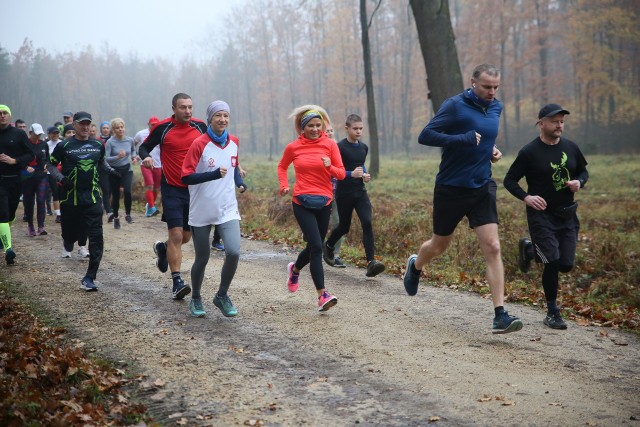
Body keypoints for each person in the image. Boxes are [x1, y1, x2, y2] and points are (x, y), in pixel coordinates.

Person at [402, 64, 523, 334]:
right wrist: (463, 139)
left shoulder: (496, 107)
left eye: (495, 87)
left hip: (482, 185)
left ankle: (500, 315)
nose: (492, 92)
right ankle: (416, 265)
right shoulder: (454, 105)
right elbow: (426, 136)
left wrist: (490, 150)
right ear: (473, 83)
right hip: (451, 186)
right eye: (486, 87)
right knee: (439, 245)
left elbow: (484, 137)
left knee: (492, 246)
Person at [504, 104, 588, 330]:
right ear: (541, 123)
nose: (559, 125)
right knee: (551, 261)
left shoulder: (571, 147)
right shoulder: (529, 152)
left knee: (566, 264)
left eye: (562, 121)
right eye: (554, 121)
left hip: (567, 215)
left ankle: (530, 249)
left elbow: (583, 171)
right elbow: (509, 180)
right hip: (541, 216)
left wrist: (580, 182)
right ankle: (552, 312)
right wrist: (527, 197)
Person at [138, 93, 207, 300]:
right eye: (183, 107)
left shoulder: (201, 126)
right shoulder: (163, 128)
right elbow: (143, 147)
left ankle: (163, 249)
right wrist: (147, 156)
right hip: (172, 188)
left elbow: (218, 145)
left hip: (194, 189)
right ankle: (177, 281)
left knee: (185, 237)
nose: (187, 111)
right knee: (177, 234)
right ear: (174, 109)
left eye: (190, 107)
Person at [278, 105, 345, 312]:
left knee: (313, 247)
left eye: (319, 125)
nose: (316, 129)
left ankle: (295, 269)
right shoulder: (293, 147)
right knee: (317, 246)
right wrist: (284, 185)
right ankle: (322, 295)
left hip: (324, 202)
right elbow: (282, 166)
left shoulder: (331, 145)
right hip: (301, 202)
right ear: (303, 128)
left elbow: (341, 174)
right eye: (311, 126)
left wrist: (329, 167)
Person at [182, 100, 244, 317]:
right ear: (209, 118)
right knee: (203, 257)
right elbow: (186, 176)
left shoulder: (234, 141)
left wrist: (240, 182)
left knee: (234, 252)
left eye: (226, 115)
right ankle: (196, 297)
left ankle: (221, 295)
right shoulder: (199, 143)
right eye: (218, 115)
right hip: (201, 209)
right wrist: (213, 174)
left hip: (227, 208)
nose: (223, 119)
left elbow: (233, 166)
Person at [47, 111, 119, 291]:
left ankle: (89, 277)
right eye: (82, 124)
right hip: (70, 199)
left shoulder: (97, 144)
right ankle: (69, 241)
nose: (86, 127)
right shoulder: (64, 145)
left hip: (93, 198)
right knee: (70, 236)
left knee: (96, 238)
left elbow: (101, 163)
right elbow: (50, 165)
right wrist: (61, 179)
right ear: (75, 125)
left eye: (88, 124)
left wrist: (112, 172)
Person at [323, 114, 385, 277]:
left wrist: (365, 175)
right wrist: (352, 174)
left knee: (367, 222)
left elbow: (361, 165)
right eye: (355, 128)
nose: (358, 131)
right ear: (347, 129)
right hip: (344, 193)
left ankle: (371, 262)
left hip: (360, 192)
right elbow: (335, 171)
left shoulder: (364, 148)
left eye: (361, 128)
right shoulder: (339, 147)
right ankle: (328, 245)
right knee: (344, 227)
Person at [0, 104, 34, 265]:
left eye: (5, 113)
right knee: (3, 214)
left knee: (11, 214)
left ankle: (2, 236)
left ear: (10, 116)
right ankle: (8, 249)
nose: (2, 116)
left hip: (14, 179)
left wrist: (15, 161)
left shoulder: (19, 134)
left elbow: (30, 154)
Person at [105, 117, 136, 229]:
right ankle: (116, 217)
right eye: (117, 128)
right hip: (114, 171)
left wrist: (133, 157)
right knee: (116, 195)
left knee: (127, 191)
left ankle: (128, 214)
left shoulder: (130, 140)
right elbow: (106, 158)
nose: (120, 129)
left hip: (127, 169)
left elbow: (133, 150)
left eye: (122, 127)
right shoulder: (110, 142)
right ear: (113, 130)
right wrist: (117, 156)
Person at [23, 124, 50, 236]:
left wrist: (47, 165)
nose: (38, 136)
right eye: (36, 134)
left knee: (40, 200)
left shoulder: (44, 144)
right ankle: (30, 225)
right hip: (27, 175)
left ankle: (41, 226)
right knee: (29, 201)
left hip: (41, 175)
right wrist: (25, 167)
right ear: (30, 133)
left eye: (39, 134)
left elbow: (48, 158)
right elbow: (19, 159)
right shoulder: (24, 144)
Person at [325, 125, 345, 268]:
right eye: (327, 131)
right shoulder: (317, 148)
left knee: (339, 222)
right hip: (321, 191)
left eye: (331, 130)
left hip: (338, 190)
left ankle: (336, 254)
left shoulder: (339, 147)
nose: (330, 133)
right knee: (322, 223)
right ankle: (317, 247)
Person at [133, 116, 162, 217]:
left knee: (157, 188)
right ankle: (152, 207)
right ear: (148, 124)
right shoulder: (141, 134)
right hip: (145, 163)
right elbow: (133, 143)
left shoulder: (161, 133)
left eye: (156, 124)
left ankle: (149, 208)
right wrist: (136, 155)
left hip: (159, 164)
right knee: (150, 185)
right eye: (152, 124)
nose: (154, 126)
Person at [46, 126, 63, 223]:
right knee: (55, 192)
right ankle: (58, 214)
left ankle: (64, 211)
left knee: (62, 192)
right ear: (49, 134)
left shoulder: (62, 143)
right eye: (53, 133)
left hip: (61, 171)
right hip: (50, 172)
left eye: (57, 133)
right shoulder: (46, 145)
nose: (55, 135)